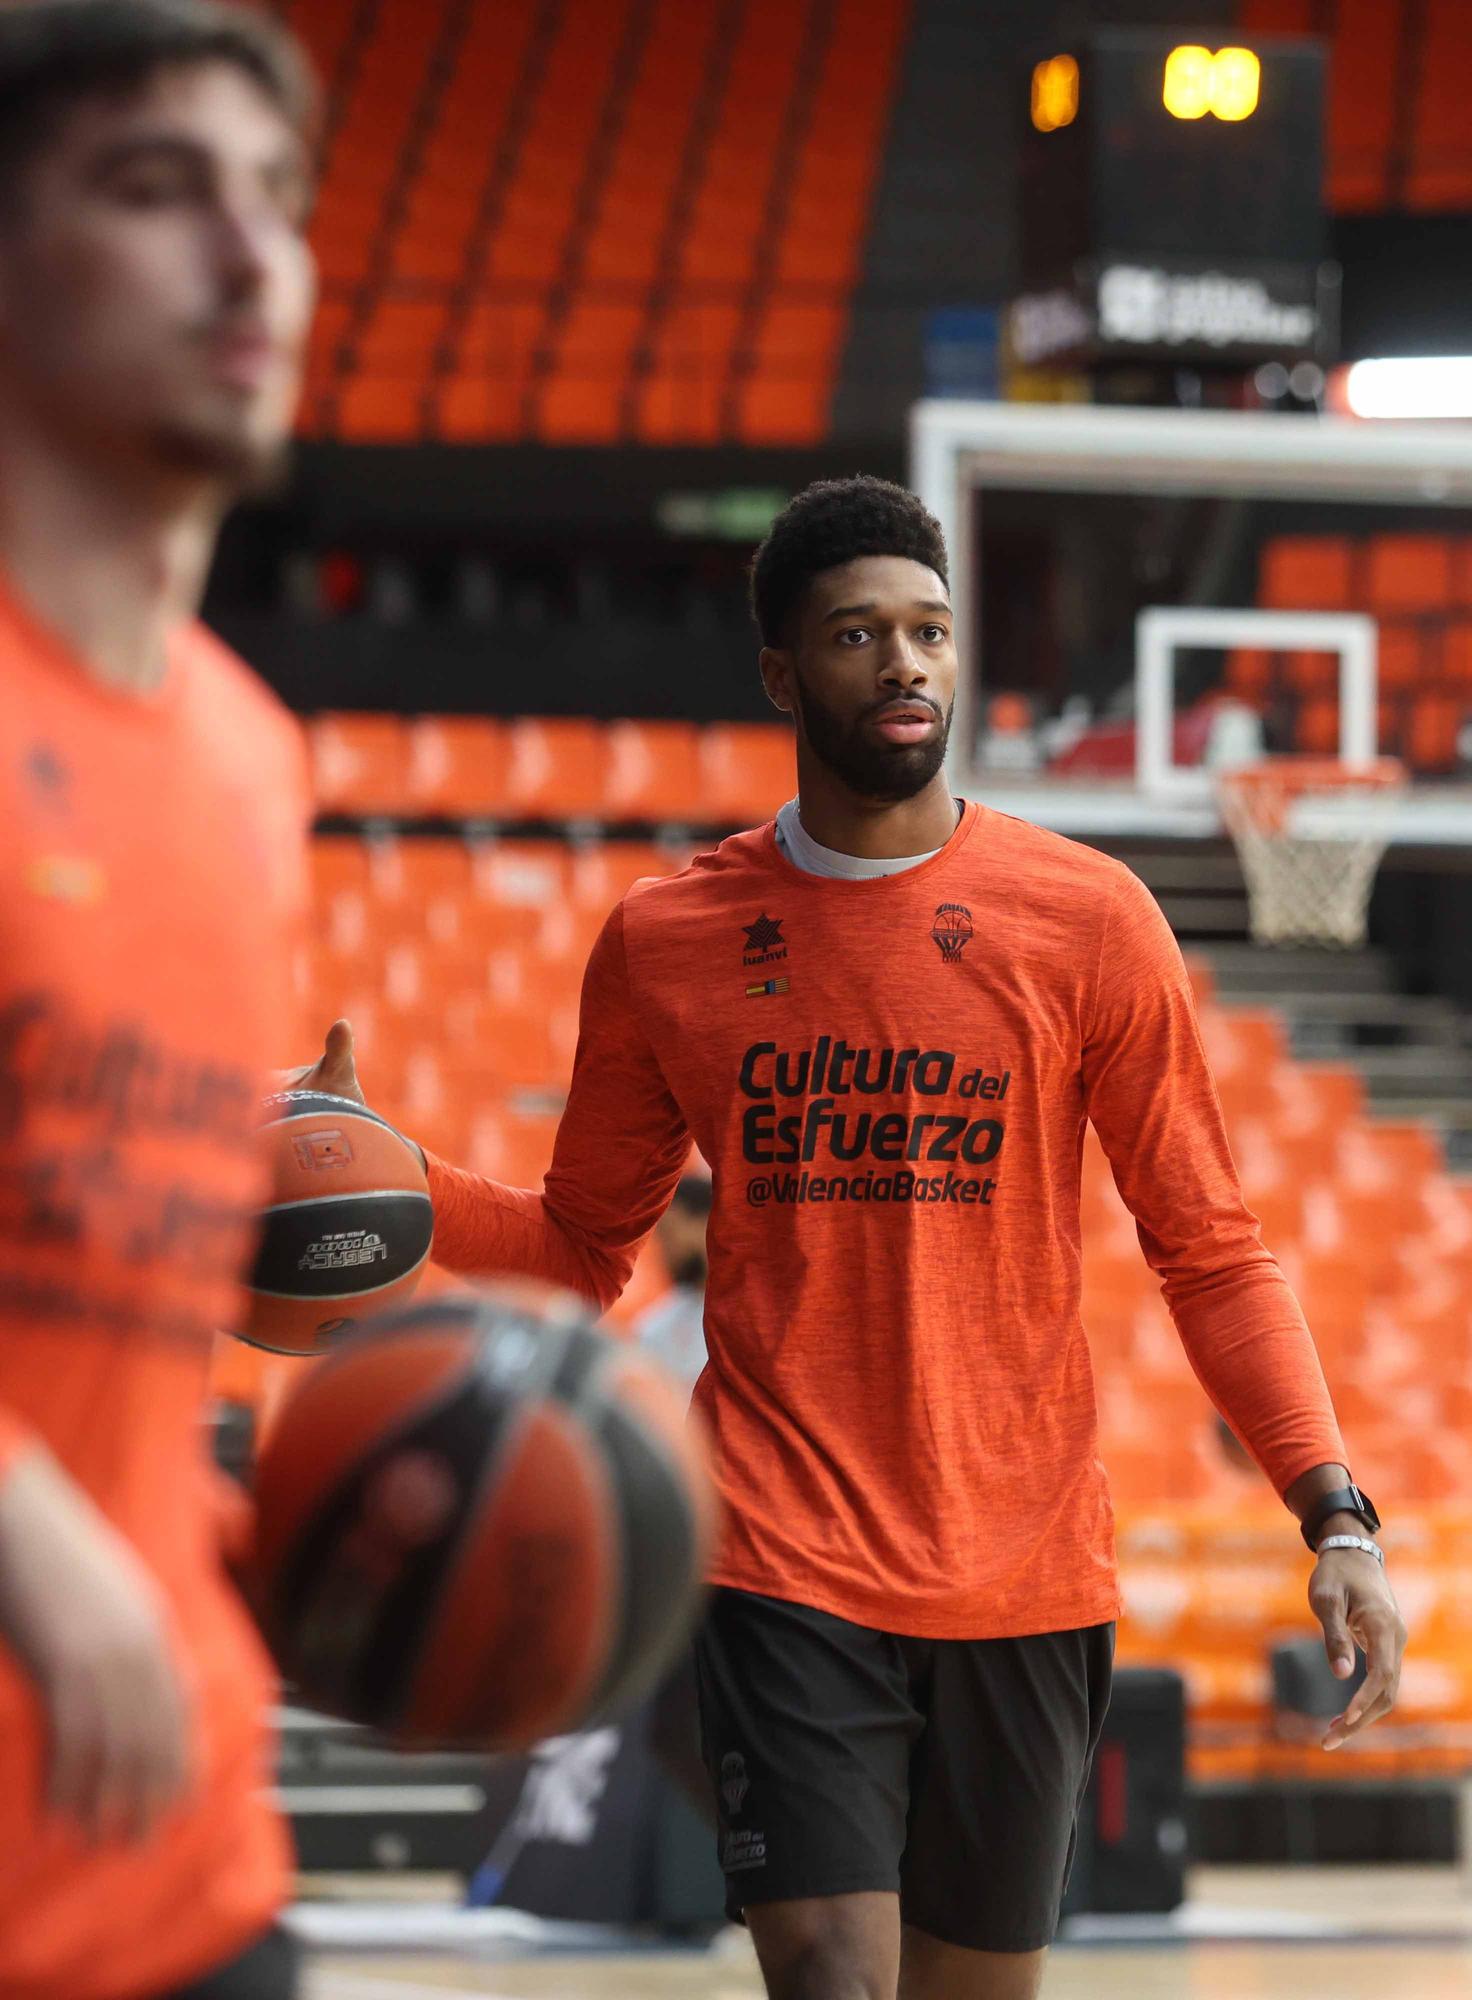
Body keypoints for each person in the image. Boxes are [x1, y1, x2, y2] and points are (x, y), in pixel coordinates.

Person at [302, 475, 1407, 2000]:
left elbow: (1211, 1249)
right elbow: (576, 1249)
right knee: (830, 1974)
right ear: (780, 672)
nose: (904, 664)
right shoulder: (668, 940)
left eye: (932, 633)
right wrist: (384, 1177)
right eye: (859, 635)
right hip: (776, 1557)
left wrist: (1335, 1515)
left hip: (1023, 1572)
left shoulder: (1089, 920)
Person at [0, 4, 318, 1995]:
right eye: (155, 188)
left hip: (180, 1859)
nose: (246, 252)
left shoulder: (252, 757)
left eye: (277, 200)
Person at [632, 1171, 712, 1388]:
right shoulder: (655, 1327)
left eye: (669, 1233)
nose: (665, 1250)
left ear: (705, 1222)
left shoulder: (754, 1316)